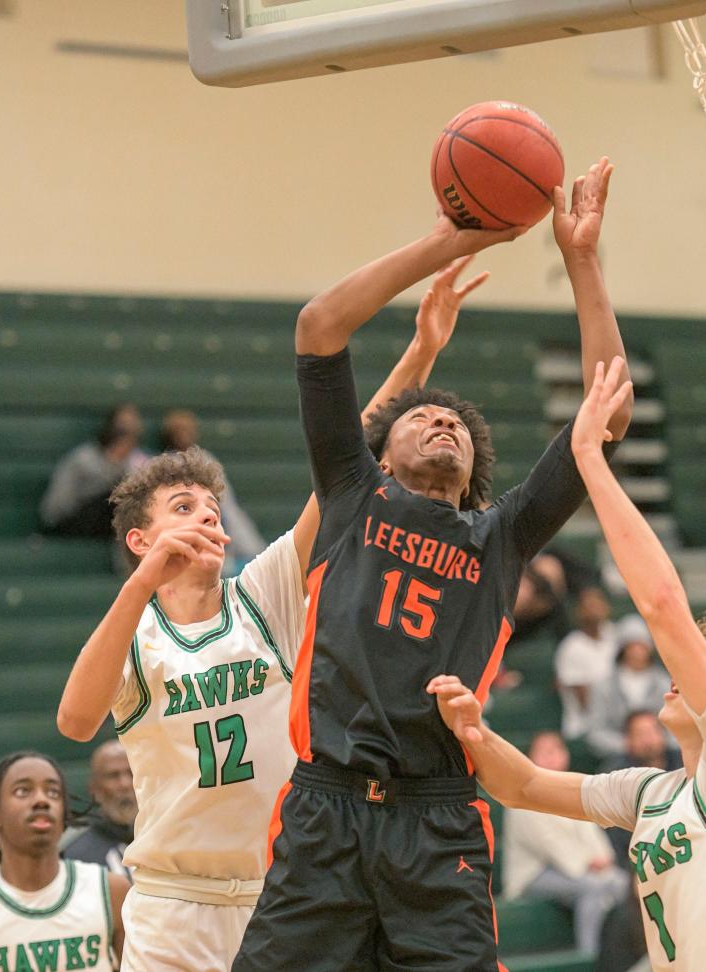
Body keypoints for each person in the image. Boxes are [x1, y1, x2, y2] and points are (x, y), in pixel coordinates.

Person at [234, 156, 633, 972]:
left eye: (456, 422)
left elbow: (608, 407)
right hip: (327, 808)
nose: (443, 422)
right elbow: (319, 327)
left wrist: (581, 259)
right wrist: (445, 240)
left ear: (475, 465)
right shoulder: (353, 495)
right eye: (425, 416)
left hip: (439, 817)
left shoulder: (502, 535)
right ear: (382, 447)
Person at [56, 263, 479, 972]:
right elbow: (73, 722)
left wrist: (420, 355)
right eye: (182, 508)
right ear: (139, 539)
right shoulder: (134, 636)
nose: (206, 517)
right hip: (171, 904)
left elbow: (349, 465)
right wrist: (141, 586)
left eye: (211, 508)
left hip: (282, 896)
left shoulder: (264, 591)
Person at [429, 357, 706, 971]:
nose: (677, 674)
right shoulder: (650, 792)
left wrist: (589, 461)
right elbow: (521, 785)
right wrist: (472, 730)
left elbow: (662, 605)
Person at [0, 751, 127, 971]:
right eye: (23, 791)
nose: (41, 800)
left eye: (53, 792)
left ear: (64, 815)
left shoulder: (112, 891)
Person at [502, 732, 628, 955]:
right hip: (535, 874)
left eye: (557, 750)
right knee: (593, 887)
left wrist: (604, 857)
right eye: (545, 752)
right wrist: (586, 865)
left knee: (621, 882)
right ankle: (589, 955)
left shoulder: (571, 786)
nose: (552, 757)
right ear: (530, 758)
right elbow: (548, 843)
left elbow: (589, 826)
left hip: (577, 870)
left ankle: (620, 952)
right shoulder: (521, 793)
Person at [159, 409, 266, 570]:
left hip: (229, 539)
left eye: (189, 429)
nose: (185, 434)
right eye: (179, 430)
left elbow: (227, 507)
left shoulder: (206, 460)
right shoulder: (163, 466)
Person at [40, 404, 148, 538]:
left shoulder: (138, 460)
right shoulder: (82, 459)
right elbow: (56, 507)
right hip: (74, 521)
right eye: (122, 429)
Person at [586, 619, 671, 761]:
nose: (637, 651)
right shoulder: (603, 686)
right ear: (622, 649)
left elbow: (676, 728)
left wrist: (656, 742)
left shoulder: (664, 683)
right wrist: (628, 744)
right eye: (631, 646)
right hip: (618, 758)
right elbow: (595, 732)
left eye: (641, 645)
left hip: (661, 756)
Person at [63, 741, 137, 880]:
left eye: (132, 773)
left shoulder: (171, 840)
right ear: (94, 789)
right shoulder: (76, 856)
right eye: (113, 776)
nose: (125, 784)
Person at [555, 586, 618, 739]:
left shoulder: (615, 635)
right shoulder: (571, 646)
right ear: (578, 611)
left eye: (597, 603)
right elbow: (583, 698)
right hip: (584, 727)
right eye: (588, 605)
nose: (594, 609)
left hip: (617, 723)